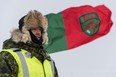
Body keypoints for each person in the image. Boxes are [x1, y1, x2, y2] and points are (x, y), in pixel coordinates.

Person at [0, 10, 58, 77]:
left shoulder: (49, 61)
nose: (38, 32)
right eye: (34, 29)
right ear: (25, 32)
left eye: (40, 29)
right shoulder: (8, 56)